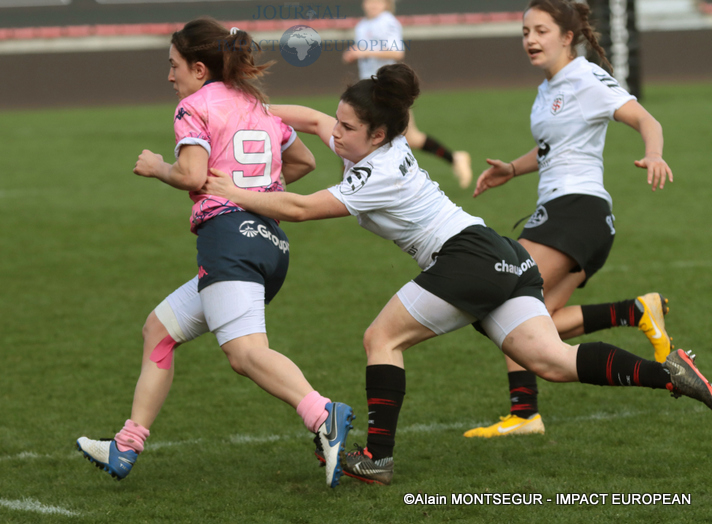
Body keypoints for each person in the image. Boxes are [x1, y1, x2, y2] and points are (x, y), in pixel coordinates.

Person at [201, 62, 712, 486]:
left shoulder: (376, 171)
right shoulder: (374, 143)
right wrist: (247, 114)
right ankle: (669, 373)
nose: (335, 132)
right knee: (553, 361)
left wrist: (231, 191)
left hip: (466, 256)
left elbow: (299, 208)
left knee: (381, 338)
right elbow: (314, 121)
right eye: (340, 121)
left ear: (378, 134)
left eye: (347, 128)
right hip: (499, 253)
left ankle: (377, 457)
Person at [75, 18, 355, 489]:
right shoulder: (256, 105)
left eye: (174, 65)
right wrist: (258, 188)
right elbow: (304, 160)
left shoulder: (194, 106)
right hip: (269, 245)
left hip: (229, 241)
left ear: (200, 69)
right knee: (159, 330)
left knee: (245, 354)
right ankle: (127, 444)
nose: (170, 76)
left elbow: (190, 174)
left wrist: (157, 167)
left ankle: (323, 413)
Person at [465, 0, 675, 438]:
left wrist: (653, 153)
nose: (530, 39)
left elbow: (645, 118)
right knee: (537, 318)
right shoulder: (549, 87)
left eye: (541, 31)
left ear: (567, 37)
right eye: (525, 32)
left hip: (576, 212)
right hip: (571, 215)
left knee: (507, 299)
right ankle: (635, 311)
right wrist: (512, 169)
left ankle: (525, 413)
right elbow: (552, 148)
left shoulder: (584, 77)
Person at [342, 0, 473, 189]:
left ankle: (454, 158)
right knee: (357, 131)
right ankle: (350, 183)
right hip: (370, 88)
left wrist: (363, 52)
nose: (373, 4)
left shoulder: (387, 21)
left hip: (388, 89)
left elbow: (397, 52)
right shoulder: (362, 25)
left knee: (371, 134)